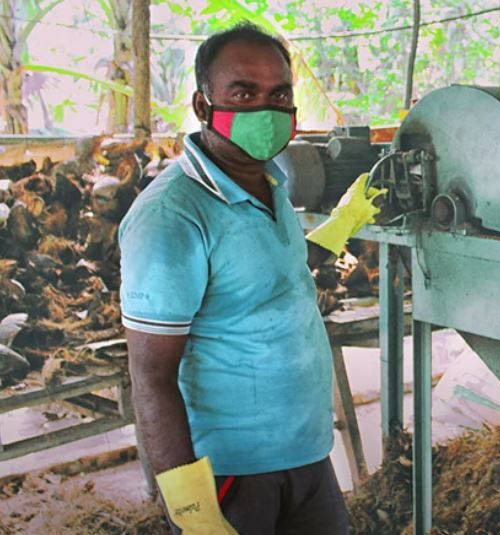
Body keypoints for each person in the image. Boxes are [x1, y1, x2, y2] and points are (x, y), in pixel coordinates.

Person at [119, 23, 379, 535]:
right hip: (232, 471)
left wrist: (343, 223)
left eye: (279, 95)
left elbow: (275, 269)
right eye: (244, 93)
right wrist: (192, 511)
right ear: (202, 105)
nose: (266, 109)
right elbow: (151, 377)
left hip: (306, 453)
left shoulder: (268, 180)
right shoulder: (171, 216)